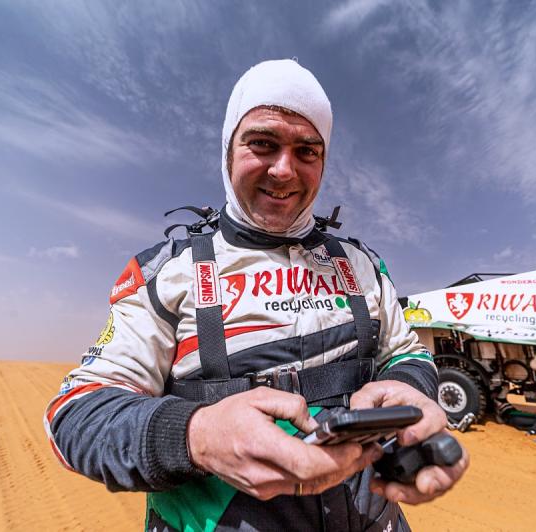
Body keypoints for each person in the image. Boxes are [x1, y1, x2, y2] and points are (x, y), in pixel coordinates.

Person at [43, 59, 468, 531]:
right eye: (263, 143)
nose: (284, 170)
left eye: (307, 151)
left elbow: (408, 354)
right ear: (228, 150)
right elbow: (75, 414)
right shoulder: (168, 272)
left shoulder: (361, 265)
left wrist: (410, 387)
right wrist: (196, 437)